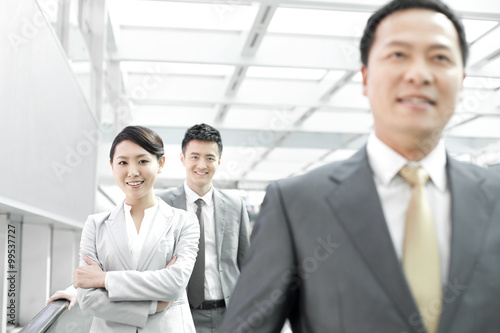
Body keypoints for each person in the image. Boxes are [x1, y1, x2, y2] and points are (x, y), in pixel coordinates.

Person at [219, 1, 500, 332]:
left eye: (440, 57)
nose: (419, 74)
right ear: (365, 78)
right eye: (398, 55)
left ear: (462, 81)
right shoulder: (297, 204)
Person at [49, 126, 199, 332]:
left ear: (161, 163)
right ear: (112, 166)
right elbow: (88, 298)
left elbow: (174, 283)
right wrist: (153, 305)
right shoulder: (95, 224)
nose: (133, 172)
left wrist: (104, 279)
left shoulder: (184, 221)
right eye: (123, 162)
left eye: (143, 161)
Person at [157, 123, 251, 333]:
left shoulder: (236, 205)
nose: (202, 164)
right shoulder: (161, 204)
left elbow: (247, 263)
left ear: (218, 161)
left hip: (229, 313)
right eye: (194, 156)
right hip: (179, 313)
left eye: (209, 158)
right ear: (182, 159)